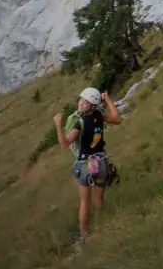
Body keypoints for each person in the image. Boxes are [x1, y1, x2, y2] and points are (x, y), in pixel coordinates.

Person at [53, 87, 121, 246]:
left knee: (85, 202)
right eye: (82, 100)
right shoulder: (99, 115)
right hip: (101, 161)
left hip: (86, 164)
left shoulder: (79, 122)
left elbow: (64, 143)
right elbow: (117, 119)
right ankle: (100, 227)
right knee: (99, 198)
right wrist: (108, 100)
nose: (81, 103)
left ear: (91, 105)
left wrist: (58, 125)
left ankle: (84, 235)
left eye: (85, 102)